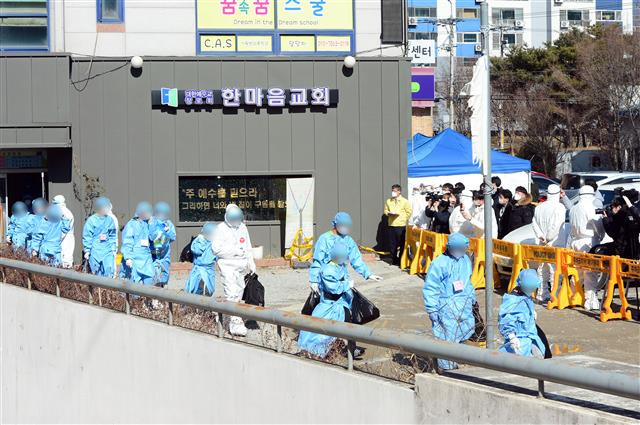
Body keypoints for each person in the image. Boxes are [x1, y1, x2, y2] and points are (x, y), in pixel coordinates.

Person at [423, 232, 476, 370]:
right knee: (447, 338)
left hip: (463, 303)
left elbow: (468, 281)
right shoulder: (439, 264)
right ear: (449, 247)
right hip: (446, 306)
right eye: (458, 248)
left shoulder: (465, 260)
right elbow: (431, 287)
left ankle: (458, 360)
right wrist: (432, 308)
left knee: (464, 332)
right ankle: (446, 368)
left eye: (463, 249)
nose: (461, 251)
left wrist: (471, 298)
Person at [298, 240, 355, 358]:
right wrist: (347, 285)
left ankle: (350, 349)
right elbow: (333, 288)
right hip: (329, 306)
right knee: (320, 332)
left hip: (340, 305)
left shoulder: (339, 266)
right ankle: (314, 351)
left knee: (345, 327)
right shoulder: (328, 269)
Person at [309, 212, 383, 294]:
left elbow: (356, 259)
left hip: (342, 276)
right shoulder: (324, 239)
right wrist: (314, 280)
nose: (345, 228)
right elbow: (318, 261)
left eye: (347, 226)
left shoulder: (348, 240)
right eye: (343, 225)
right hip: (326, 278)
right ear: (335, 224)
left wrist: (369, 274)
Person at [212, 204, 256, 337]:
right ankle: (235, 322)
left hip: (241, 265)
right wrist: (235, 252)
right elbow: (216, 249)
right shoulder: (220, 229)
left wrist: (251, 262)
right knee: (231, 292)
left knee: (239, 291)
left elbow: (247, 246)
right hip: (227, 265)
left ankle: (229, 316)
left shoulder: (243, 227)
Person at [568, 185, 605, 310]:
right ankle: (590, 301)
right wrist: (600, 236)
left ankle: (573, 296)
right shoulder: (591, 207)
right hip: (589, 241)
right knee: (590, 272)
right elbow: (598, 225)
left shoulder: (574, 208)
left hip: (576, 241)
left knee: (577, 271)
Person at [499, 269, 549, 358]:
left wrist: (531, 313)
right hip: (519, 342)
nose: (532, 290)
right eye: (530, 287)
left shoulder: (525, 297)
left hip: (531, 339)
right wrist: (512, 337)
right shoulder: (513, 300)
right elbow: (506, 320)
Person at [531, 184, 567, 301]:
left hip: (542, 242)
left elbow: (534, 223)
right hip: (555, 242)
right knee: (555, 270)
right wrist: (549, 237)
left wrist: (541, 236)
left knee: (542, 269)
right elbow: (557, 225)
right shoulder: (560, 207)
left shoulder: (539, 207)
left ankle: (542, 293)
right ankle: (555, 295)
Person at [120, 202, 155, 285]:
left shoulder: (148, 224)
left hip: (146, 257)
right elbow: (127, 242)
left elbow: (153, 238)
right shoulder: (131, 225)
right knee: (135, 281)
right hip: (134, 258)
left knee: (149, 278)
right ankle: (136, 298)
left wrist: (152, 224)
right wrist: (128, 257)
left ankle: (148, 297)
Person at [82, 197, 118, 277]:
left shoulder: (110, 220)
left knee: (109, 270)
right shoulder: (91, 220)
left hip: (107, 249)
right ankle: (98, 290)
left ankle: (108, 289)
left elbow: (112, 235)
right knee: (97, 273)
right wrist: (87, 250)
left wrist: (113, 248)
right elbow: (87, 236)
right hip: (95, 250)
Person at [149, 201, 176, 287]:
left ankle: (162, 293)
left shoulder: (169, 223)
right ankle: (153, 297)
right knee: (153, 275)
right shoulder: (151, 222)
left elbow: (172, 237)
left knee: (164, 274)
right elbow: (150, 236)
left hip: (164, 254)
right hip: (153, 254)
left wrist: (167, 232)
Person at [185, 223, 217, 295]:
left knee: (207, 290)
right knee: (201, 289)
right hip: (202, 271)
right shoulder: (201, 241)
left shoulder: (210, 242)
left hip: (206, 270)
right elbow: (197, 250)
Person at [384, 184, 412, 265]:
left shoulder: (405, 201)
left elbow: (409, 212)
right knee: (392, 244)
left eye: (395, 190)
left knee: (401, 243)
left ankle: (401, 260)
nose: (393, 192)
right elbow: (385, 210)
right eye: (392, 190)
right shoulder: (389, 201)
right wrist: (388, 213)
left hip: (400, 225)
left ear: (399, 191)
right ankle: (394, 259)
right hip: (391, 225)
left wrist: (402, 218)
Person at [51, 195, 75, 268]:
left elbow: (65, 228)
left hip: (66, 237)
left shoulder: (65, 212)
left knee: (66, 257)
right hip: (63, 236)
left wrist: (58, 237)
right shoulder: (62, 211)